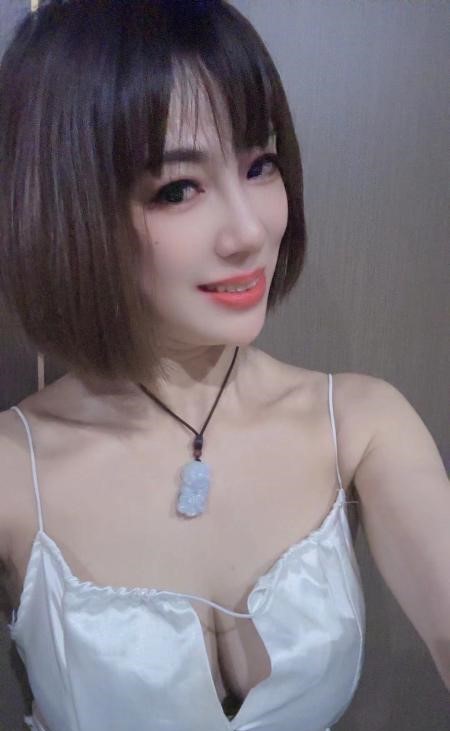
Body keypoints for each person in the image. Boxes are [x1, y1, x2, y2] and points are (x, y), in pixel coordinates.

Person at [0, 1, 448, 729]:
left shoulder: (361, 422)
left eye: (259, 165)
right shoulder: (14, 470)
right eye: (178, 189)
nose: (249, 231)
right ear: (69, 210)